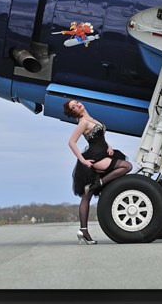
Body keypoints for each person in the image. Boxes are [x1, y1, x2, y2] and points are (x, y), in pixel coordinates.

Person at [63, 99, 133, 245]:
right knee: (126, 166)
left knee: (86, 195)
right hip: (96, 157)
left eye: (76, 102)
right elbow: (71, 142)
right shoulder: (82, 122)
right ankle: (99, 182)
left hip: (104, 153)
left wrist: (109, 146)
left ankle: (83, 230)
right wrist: (83, 161)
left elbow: (99, 137)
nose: (78, 105)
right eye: (74, 107)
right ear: (73, 112)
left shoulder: (90, 118)